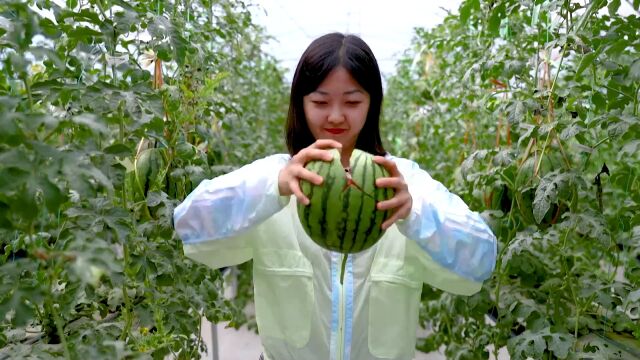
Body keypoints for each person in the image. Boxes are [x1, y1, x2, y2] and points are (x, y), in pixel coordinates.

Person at [173, 32, 497, 360]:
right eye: (320, 101)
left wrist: (415, 214)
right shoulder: (277, 177)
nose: (337, 116)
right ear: (300, 103)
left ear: (372, 105)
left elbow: (481, 259)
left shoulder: (404, 183)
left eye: (353, 102)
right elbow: (188, 225)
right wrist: (273, 187)